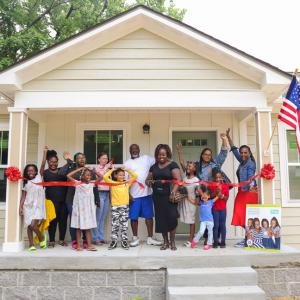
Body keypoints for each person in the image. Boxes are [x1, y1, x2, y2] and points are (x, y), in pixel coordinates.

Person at [177, 133, 229, 245]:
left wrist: (224, 139)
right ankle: (207, 237)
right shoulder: (197, 165)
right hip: (203, 194)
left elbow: (224, 154)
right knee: (205, 215)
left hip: (214, 193)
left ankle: (213, 238)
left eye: (209, 155)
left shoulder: (214, 164)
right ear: (202, 155)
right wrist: (180, 153)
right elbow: (186, 168)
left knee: (214, 217)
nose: (207, 156)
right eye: (205, 154)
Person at [124, 144, 161, 247]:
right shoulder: (127, 163)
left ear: (139, 149)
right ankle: (135, 238)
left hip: (147, 193)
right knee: (134, 217)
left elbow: (158, 162)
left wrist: (151, 175)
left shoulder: (146, 158)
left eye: (136, 149)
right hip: (134, 195)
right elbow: (125, 181)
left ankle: (150, 238)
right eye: (132, 149)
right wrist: (127, 194)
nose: (134, 150)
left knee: (149, 216)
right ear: (129, 151)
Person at [146, 144, 182, 251]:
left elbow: (178, 180)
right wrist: (149, 181)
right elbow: (148, 180)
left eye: (163, 154)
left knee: (171, 218)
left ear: (167, 154)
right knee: (161, 220)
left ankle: (172, 241)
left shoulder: (172, 165)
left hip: (170, 196)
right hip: (157, 197)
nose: (161, 156)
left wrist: (173, 192)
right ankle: (165, 242)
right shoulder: (153, 167)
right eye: (159, 154)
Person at [226, 129, 258, 247]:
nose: (243, 155)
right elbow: (234, 150)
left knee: (245, 216)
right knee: (240, 215)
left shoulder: (250, 164)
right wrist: (229, 137)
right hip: (242, 192)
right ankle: (248, 238)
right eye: (242, 153)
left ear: (249, 153)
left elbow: (250, 178)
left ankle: (249, 240)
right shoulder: (243, 161)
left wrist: (251, 186)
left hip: (248, 192)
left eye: (245, 153)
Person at [65, 152, 100, 249]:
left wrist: (94, 171)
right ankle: (77, 244)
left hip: (88, 208)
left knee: (87, 226)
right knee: (77, 225)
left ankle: (88, 244)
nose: (82, 159)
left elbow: (101, 178)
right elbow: (68, 176)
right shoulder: (78, 183)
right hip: (78, 206)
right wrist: (80, 169)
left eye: (83, 157)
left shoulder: (91, 183)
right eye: (79, 158)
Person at [40, 146, 73, 248]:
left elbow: (72, 165)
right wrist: (45, 154)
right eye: (51, 162)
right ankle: (52, 241)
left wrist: (67, 158)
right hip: (51, 201)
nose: (53, 164)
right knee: (53, 221)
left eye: (55, 162)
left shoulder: (62, 171)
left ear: (58, 162)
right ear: (48, 162)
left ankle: (62, 240)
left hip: (64, 200)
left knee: (63, 221)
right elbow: (41, 167)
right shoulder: (45, 173)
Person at [103, 167, 137, 250]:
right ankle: (114, 241)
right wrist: (112, 170)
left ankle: (124, 241)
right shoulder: (112, 183)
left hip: (125, 207)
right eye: (120, 175)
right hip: (115, 207)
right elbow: (105, 177)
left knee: (124, 225)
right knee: (115, 225)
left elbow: (135, 176)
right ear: (116, 175)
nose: (122, 176)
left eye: (123, 175)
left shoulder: (126, 183)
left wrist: (127, 169)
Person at [19, 164, 47, 251]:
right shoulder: (25, 182)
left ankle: (41, 238)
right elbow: (23, 196)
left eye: (32, 170)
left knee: (33, 225)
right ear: (26, 173)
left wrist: (45, 153)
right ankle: (31, 245)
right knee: (29, 226)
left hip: (38, 206)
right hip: (28, 206)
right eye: (28, 171)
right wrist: (20, 207)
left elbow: (42, 165)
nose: (30, 172)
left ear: (35, 172)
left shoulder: (39, 178)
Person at [177, 161, 199, 247]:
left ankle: (191, 240)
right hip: (183, 201)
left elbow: (197, 193)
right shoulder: (185, 178)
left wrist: (193, 199)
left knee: (191, 221)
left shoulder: (196, 180)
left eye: (190, 166)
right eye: (187, 166)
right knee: (180, 217)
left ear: (194, 169)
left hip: (191, 202)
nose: (188, 168)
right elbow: (182, 164)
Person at [92, 152, 112, 245]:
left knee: (103, 217)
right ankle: (96, 238)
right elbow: (99, 179)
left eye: (106, 158)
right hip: (99, 193)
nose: (105, 160)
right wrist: (106, 170)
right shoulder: (95, 169)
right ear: (98, 159)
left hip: (107, 193)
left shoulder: (109, 169)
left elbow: (110, 182)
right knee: (97, 217)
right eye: (103, 158)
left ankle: (101, 237)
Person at [191, 185, 217, 250]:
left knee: (210, 232)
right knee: (201, 231)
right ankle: (194, 241)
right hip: (203, 221)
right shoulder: (201, 203)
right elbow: (194, 202)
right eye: (203, 196)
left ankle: (209, 244)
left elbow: (217, 197)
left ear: (208, 196)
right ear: (201, 197)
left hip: (210, 220)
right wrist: (187, 197)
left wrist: (219, 191)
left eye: (206, 196)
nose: (204, 197)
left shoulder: (211, 202)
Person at [211, 169, 229, 248]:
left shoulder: (225, 186)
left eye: (219, 177)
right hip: (215, 208)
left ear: (222, 177)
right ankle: (215, 242)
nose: (218, 179)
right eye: (216, 178)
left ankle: (223, 242)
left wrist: (221, 195)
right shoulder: (212, 185)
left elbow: (226, 198)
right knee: (215, 225)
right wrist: (216, 192)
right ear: (214, 178)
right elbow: (210, 196)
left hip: (223, 209)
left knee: (222, 225)